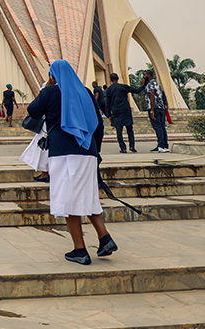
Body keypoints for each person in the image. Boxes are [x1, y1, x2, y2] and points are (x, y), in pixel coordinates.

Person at [28, 60, 116, 266]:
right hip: (88, 151)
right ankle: (105, 238)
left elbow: (33, 111)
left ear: (53, 75)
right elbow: (98, 124)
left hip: (63, 154)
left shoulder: (50, 92)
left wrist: (47, 89)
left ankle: (80, 250)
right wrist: (96, 151)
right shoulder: (85, 92)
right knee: (88, 194)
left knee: (68, 200)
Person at [105, 73, 144, 153]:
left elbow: (107, 104)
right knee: (130, 129)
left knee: (119, 131)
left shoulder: (109, 90)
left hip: (116, 112)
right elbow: (136, 91)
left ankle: (123, 148)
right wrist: (143, 85)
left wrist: (109, 115)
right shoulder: (123, 86)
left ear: (110, 80)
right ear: (118, 78)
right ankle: (132, 146)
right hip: (125, 110)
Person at [142, 70, 169, 153]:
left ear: (148, 76)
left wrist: (152, 111)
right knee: (162, 126)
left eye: (144, 75)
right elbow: (163, 94)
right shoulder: (157, 83)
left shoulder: (150, 85)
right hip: (161, 108)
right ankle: (165, 145)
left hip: (155, 108)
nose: (143, 76)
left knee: (157, 127)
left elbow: (152, 96)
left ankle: (160, 146)